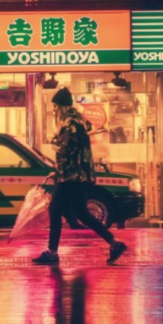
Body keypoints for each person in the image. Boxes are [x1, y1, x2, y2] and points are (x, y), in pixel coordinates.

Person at [32, 87, 128, 265]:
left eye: (55, 106)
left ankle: (52, 252)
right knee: (82, 213)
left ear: (62, 106)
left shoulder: (70, 124)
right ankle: (115, 243)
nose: (53, 110)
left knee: (55, 210)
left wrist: (57, 159)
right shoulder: (76, 121)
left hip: (71, 177)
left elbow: (68, 151)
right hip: (77, 176)